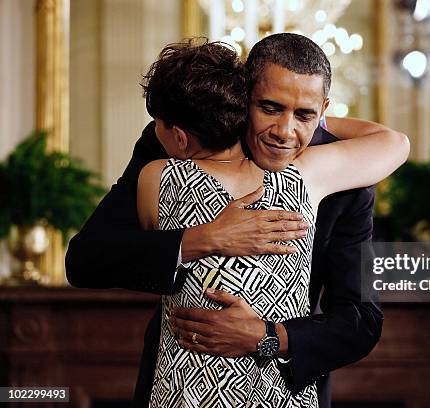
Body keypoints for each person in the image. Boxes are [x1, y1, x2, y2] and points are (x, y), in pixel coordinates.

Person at [64, 34, 406, 407]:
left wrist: (268, 337)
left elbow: (361, 320)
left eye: (304, 114)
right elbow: (86, 260)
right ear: (244, 97)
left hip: (287, 385)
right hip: (179, 381)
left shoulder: (343, 172)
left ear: (322, 110)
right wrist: (198, 239)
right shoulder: (174, 138)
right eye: (270, 107)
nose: (284, 132)